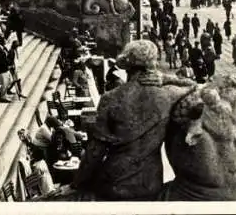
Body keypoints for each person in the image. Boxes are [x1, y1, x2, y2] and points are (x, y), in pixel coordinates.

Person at [71, 40, 196, 201]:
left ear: (127, 67)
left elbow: (95, 151)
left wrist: (78, 182)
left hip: (113, 181)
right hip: (150, 182)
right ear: (153, 64)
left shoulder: (109, 99)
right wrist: (166, 79)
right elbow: (195, 86)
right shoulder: (169, 94)